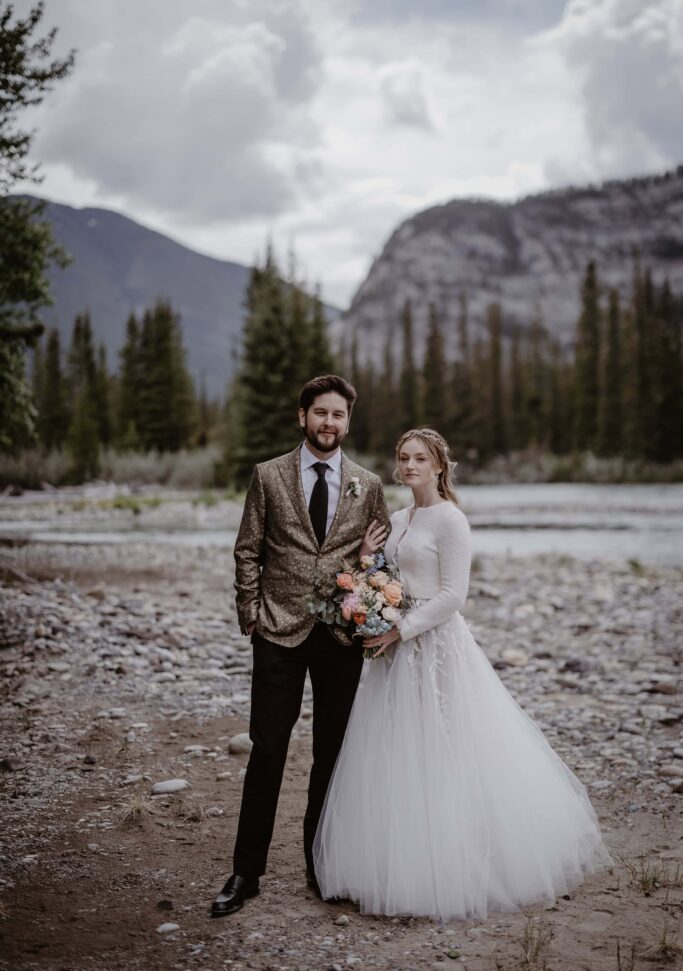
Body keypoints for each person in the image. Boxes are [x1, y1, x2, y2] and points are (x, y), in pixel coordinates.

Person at [313, 427, 613, 921]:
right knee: (395, 749)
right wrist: (368, 559)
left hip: (433, 647)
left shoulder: (451, 520)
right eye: (404, 458)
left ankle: (460, 866)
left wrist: (400, 630)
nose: (409, 466)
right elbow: (386, 578)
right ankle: (391, 861)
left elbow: (454, 595)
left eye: (420, 459)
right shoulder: (397, 517)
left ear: (439, 466)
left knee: (445, 746)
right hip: (393, 653)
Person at [211, 375, 390, 917]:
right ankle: (246, 873)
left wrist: (364, 571)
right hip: (278, 632)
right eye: (320, 414)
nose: (328, 423)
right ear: (302, 416)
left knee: (331, 755)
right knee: (267, 750)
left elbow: (378, 563)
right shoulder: (267, 476)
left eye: (338, 415)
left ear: (348, 422)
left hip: (339, 636)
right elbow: (248, 549)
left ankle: (322, 866)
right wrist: (250, 613)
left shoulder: (368, 484)